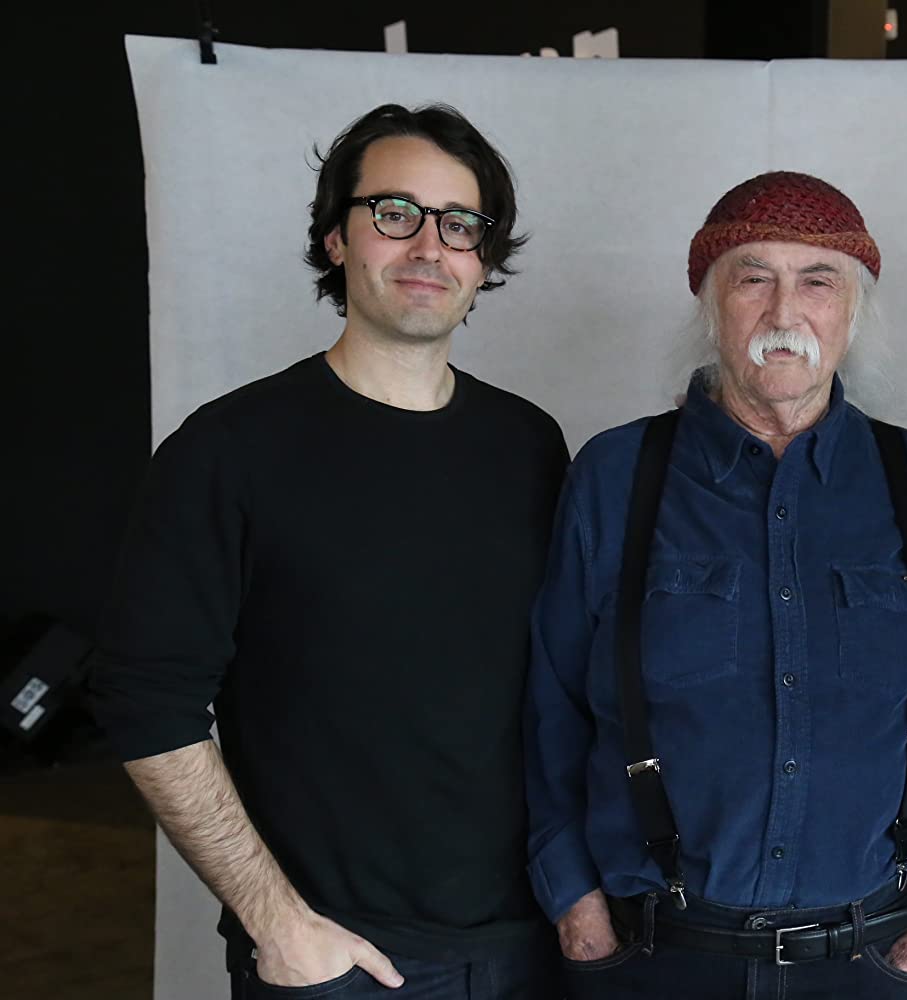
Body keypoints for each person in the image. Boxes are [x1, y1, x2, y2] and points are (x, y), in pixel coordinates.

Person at [89, 103, 568, 999]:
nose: (428, 246)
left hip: (529, 945)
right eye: (395, 212)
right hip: (340, 958)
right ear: (336, 238)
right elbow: (145, 700)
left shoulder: (530, 445)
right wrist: (276, 920)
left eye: (459, 224)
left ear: (483, 258)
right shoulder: (227, 450)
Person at [525, 171, 907, 998]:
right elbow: (550, 706)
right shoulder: (615, 475)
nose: (785, 312)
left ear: (854, 312)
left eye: (818, 281)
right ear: (711, 307)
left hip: (873, 959)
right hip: (652, 959)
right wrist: (574, 905)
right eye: (753, 279)